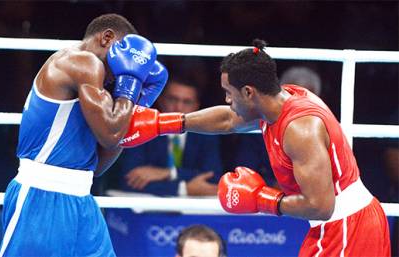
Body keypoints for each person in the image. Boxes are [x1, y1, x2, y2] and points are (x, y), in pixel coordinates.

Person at [119, 38, 391, 256]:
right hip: (340, 225)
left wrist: (262, 199)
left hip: (346, 227)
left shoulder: (300, 129)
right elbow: (227, 119)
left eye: (229, 92)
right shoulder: (276, 101)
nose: (226, 99)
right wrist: (162, 124)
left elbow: (321, 206)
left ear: (249, 92)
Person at [0, 13, 173, 256]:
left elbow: (99, 162)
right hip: (41, 196)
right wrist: (131, 87)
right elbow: (111, 135)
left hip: (81, 197)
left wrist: (137, 102)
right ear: (107, 38)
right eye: (122, 58)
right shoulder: (80, 62)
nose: (120, 72)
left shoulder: (100, 87)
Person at [117, 77, 222, 196]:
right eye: (173, 99)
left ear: (196, 106)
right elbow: (129, 180)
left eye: (187, 102)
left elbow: (212, 178)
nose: (178, 108)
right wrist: (183, 189)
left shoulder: (206, 135)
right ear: (161, 100)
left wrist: (170, 173)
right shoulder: (141, 129)